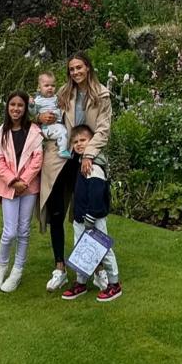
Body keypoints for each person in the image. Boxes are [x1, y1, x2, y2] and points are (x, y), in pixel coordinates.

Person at [38, 52, 112, 292]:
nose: (75, 72)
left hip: (86, 155)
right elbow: (43, 108)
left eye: (79, 67)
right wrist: (40, 116)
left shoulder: (101, 94)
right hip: (62, 157)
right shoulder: (63, 93)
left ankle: (98, 267)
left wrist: (89, 153)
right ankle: (59, 267)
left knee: (89, 214)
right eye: (71, 69)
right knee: (57, 212)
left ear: (88, 68)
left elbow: (103, 129)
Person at [0, 91, 43, 293]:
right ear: (7, 107)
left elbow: (37, 159)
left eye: (20, 105)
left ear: (26, 108)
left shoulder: (35, 131)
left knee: (23, 230)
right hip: (8, 186)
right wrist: (13, 181)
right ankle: (1, 266)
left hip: (29, 188)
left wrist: (24, 181)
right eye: (13, 105)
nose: (16, 109)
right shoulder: (0, 133)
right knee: (9, 231)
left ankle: (17, 269)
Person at [61, 123, 122, 302]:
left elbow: (96, 194)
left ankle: (114, 283)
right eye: (76, 141)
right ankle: (81, 282)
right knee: (81, 249)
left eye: (83, 140)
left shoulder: (93, 166)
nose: (79, 144)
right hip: (80, 217)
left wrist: (90, 217)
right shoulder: (82, 162)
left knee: (102, 249)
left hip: (93, 217)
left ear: (92, 142)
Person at [32, 71, 72, 158]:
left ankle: (62, 145)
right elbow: (32, 112)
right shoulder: (38, 100)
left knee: (64, 131)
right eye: (46, 86)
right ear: (39, 88)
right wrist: (31, 106)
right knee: (63, 132)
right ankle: (62, 150)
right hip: (47, 126)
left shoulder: (56, 98)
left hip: (57, 124)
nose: (50, 88)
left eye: (53, 86)